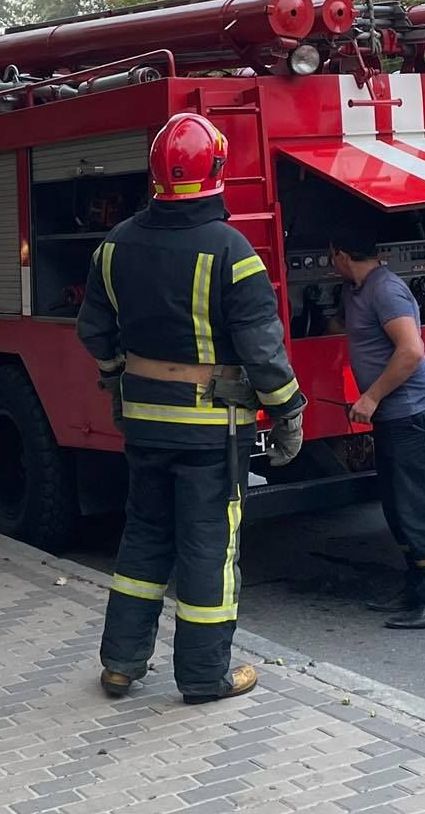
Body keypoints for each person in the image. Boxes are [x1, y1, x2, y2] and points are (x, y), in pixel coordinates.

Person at [79, 112, 307, 705]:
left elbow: (94, 332)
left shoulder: (114, 246)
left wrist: (116, 385)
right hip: (213, 432)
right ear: (218, 172)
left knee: (143, 540)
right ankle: (206, 675)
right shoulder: (232, 252)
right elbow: (263, 349)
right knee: (208, 547)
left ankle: (120, 665)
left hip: (145, 425)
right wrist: (288, 413)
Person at [330, 220, 425, 630]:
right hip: (394, 415)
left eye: (333, 256)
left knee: (421, 505)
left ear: (343, 256)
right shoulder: (357, 291)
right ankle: (415, 589)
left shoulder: (386, 289)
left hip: (413, 412)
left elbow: (410, 351)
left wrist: (370, 397)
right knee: (398, 504)